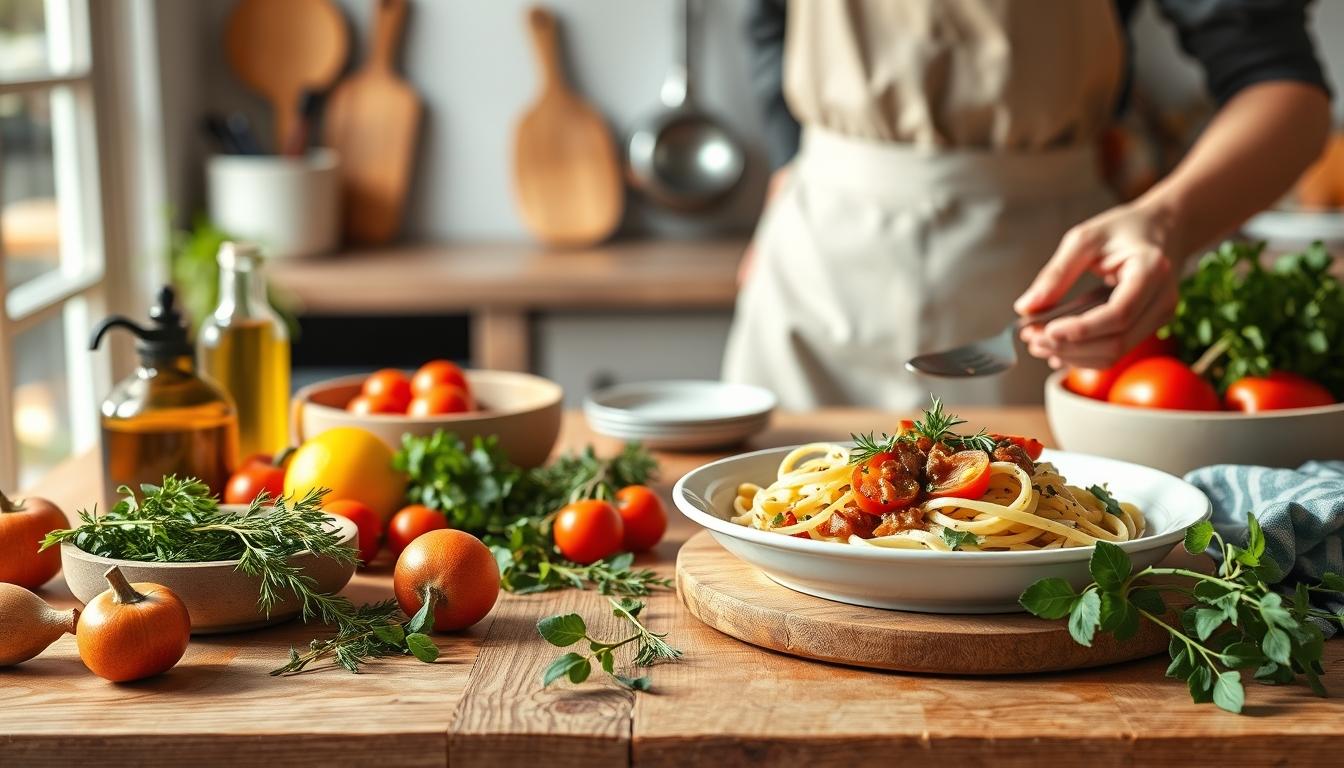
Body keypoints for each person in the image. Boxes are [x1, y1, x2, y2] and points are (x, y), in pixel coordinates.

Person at [724, 0, 1331, 409]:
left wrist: (1165, 220)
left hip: (1048, 270)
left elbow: (1284, 88)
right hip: (813, 256)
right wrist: (785, 167)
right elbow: (769, 22)